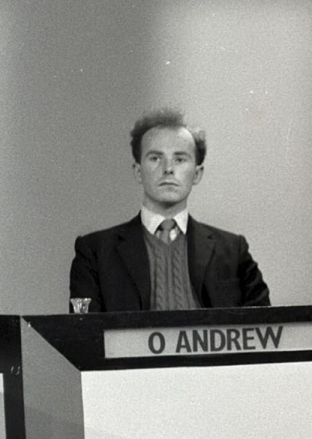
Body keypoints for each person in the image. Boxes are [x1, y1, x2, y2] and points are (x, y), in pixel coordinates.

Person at [69, 109, 270, 312]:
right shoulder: (94, 252)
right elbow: (85, 337)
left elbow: (264, 330)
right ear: (138, 172)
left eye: (180, 159)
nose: (168, 169)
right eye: (155, 158)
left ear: (197, 174)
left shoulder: (234, 251)